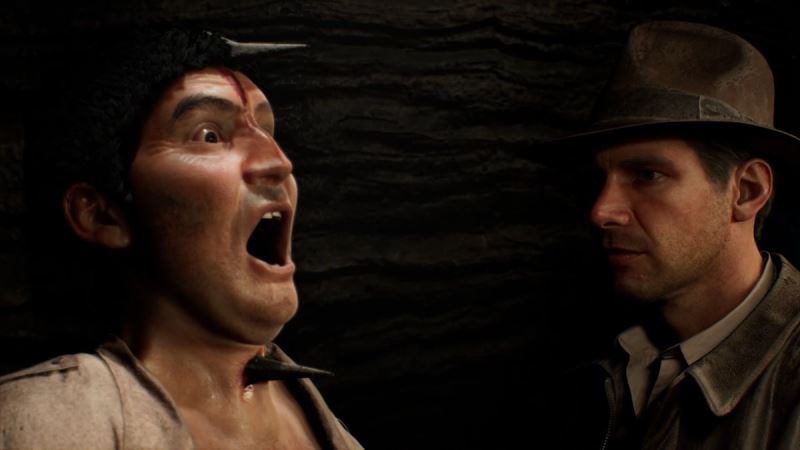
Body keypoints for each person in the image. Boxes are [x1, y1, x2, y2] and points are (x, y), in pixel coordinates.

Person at [0, 28, 362, 450]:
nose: (279, 162)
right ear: (103, 215)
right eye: (208, 135)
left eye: (269, 132)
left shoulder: (315, 415)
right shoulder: (54, 420)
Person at [552, 21, 800, 449]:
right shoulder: (600, 363)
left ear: (746, 191)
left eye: (647, 175)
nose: (601, 211)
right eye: (598, 180)